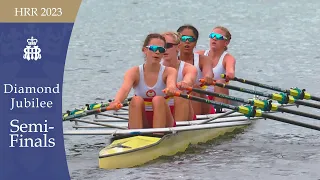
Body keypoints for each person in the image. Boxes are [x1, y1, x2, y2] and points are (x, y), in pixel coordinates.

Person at [108, 33, 178, 129]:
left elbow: (171, 84)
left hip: (165, 121)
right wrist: (117, 101)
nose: (157, 52)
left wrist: (171, 89)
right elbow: (124, 89)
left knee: (158, 99)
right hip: (143, 119)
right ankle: (135, 135)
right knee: (136, 100)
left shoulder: (169, 71)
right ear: (144, 50)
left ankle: (159, 134)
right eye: (153, 48)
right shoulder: (133, 72)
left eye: (161, 50)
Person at [176, 24, 215, 115]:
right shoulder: (170, 61)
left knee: (194, 89)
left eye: (191, 39)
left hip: (202, 103)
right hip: (178, 102)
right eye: (184, 38)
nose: (187, 41)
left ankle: (194, 123)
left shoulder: (203, 60)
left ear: (195, 42)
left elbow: (208, 72)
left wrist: (208, 77)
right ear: (177, 41)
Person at [160, 31, 197, 121]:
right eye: (161, 47)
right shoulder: (154, 67)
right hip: (161, 109)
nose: (164, 49)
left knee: (180, 95)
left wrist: (184, 83)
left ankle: (179, 131)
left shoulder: (188, 68)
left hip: (183, 109)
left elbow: (189, 79)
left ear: (178, 47)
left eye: (168, 46)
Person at [197, 26, 236, 106]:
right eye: (212, 36)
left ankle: (219, 111)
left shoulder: (228, 58)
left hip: (218, 95)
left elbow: (230, 70)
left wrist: (230, 74)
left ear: (226, 42)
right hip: (201, 96)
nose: (214, 38)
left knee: (220, 82)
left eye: (218, 37)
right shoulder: (199, 55)